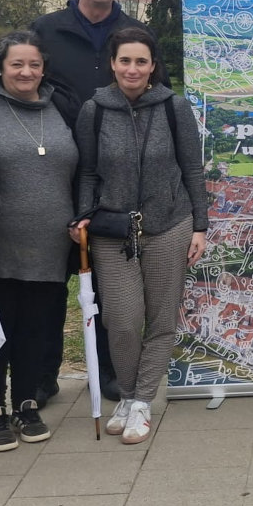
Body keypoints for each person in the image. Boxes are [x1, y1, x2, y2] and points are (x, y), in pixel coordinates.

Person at [31, 0, 162, 406]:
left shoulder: (135, 32)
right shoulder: (46, 30)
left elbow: (156, 92)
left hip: (113, 175)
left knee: (110, 283)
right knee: (49, 283)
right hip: (54, 167)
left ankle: (109, 371)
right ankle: (41, 376)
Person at [74, 27, 207, 444]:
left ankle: (142, 402)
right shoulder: (94, 110)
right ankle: (127, 394)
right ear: (113, 64)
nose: (133, 69)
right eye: (125, 60)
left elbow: (192, 168)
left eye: (141, 61)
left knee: (161, 319)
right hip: (113, 231)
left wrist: (200, 226)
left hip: (169, 225)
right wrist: (82, 216)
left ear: (153, 66)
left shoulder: (174, 107)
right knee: (123, 321)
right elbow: (87, 172)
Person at [0, 32, 82, 451]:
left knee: (36, 330)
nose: (26, 72)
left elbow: (82, 168)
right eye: (16, 64)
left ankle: (27, 404)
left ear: (44, 69)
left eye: (34, 64)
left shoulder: (63, 106)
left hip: (51, 245)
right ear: (0, 67)